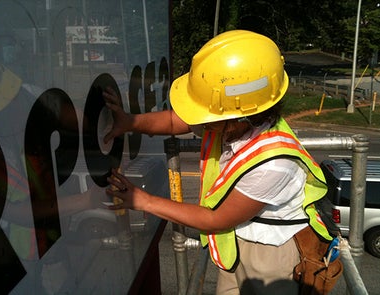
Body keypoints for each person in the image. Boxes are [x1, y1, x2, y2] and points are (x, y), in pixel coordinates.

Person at [103, 30, 334, 294]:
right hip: (239, 242)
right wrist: (130, 122)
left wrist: (144, 201)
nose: (201, 121)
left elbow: (216, 219)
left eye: (207, 115)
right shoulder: (233, 121)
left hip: (271, 259)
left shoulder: (272, 163)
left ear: (240, 117)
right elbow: (173, 121)